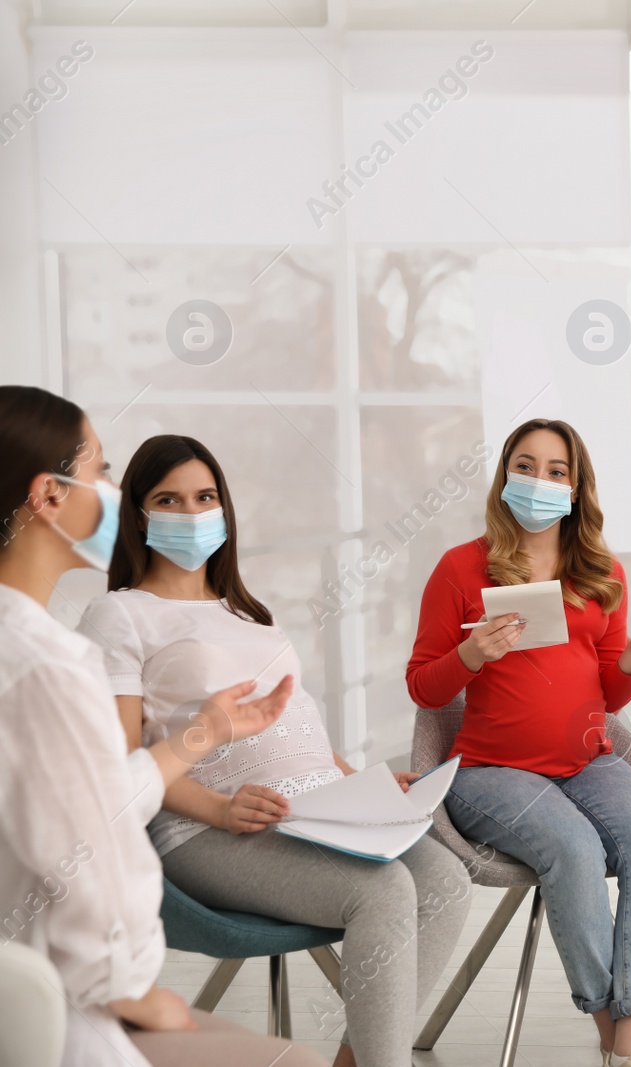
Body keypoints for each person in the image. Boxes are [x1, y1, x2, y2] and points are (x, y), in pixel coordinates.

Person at [75, 434, 471, 1067]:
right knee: (386, 890)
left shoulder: (250, 614)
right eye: (168, 500)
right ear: (138, 516)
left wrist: (362, 784)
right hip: (206, 831)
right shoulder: (118, 616)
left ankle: (359, 1059)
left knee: (447, 879)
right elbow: (121, 769)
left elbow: (302, 730)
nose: (191, 512)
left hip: (317, 813)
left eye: (205, 497)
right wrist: (218, 810)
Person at [0, 386, 324, 1067]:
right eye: (98, 471)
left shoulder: (26, 648)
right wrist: (134, 992)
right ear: (48, 495)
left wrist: (197, 737)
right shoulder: (45, 665)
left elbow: (92, 794)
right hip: (54, 1005)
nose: (111, 492)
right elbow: (86, 849)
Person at [408, 418, 631, 1067]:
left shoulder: (601, 570)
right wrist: (471, 653)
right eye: (526, 465)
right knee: (573, 845)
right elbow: (425, 687)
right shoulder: (460, 567)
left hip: (587, 757)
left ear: (576, 486)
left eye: (556, 470)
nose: (539, 481)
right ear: (506, 475)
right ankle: (605, 1024)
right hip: (489, 772)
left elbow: (610, 697)